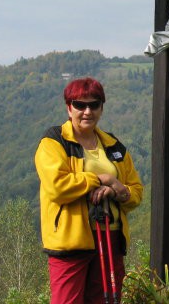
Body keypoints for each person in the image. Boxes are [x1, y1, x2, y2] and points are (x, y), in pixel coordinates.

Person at [34, 77, 143, 304]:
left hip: (110, 238)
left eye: (94, 104)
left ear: (102, 107)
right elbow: (57, 187)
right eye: (79, 105)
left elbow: (135, 192)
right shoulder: (54, 142)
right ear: (68, 107)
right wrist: (100, 179)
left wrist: (116, 189)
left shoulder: (113, 145)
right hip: (70, 242)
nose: (87, 111)